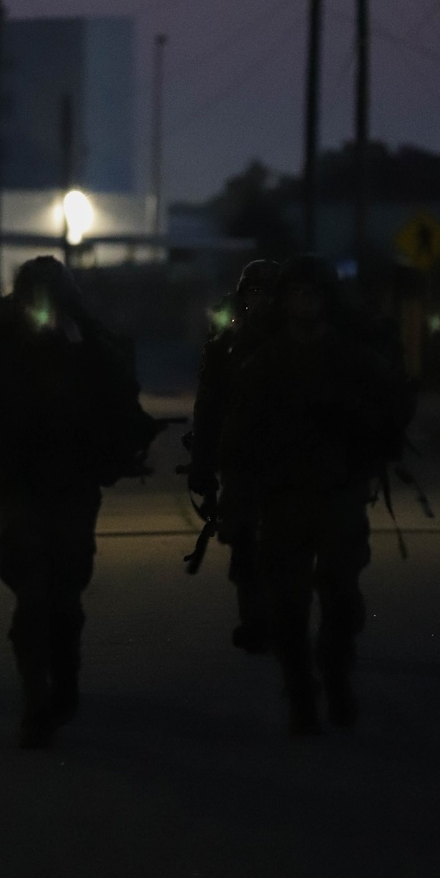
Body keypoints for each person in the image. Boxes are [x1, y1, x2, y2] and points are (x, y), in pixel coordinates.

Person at [0, 256, 158, 748]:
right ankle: (35, 701)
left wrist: (122, 447)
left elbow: (119, 406)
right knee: (32, 596)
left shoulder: (88, 345)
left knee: (66, 597)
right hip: (19, 488)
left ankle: (63, 682)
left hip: (71, 487)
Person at [218, 255, 414, 735]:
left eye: (313, 293)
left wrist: (357, 427)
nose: (304, 302)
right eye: (295, 294)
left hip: (338, 494)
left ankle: (336, 675)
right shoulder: (264, 365)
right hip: (282, 499)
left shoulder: (349, 358)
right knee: (286, 607)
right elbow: (237, 436)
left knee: (341, 597)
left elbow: (393, 405)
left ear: (326, 300)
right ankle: (302, 690)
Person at [187, 259, 279, 653]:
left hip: (289, 462)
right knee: (244, 542)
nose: (261, 301)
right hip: (241, 460)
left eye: (268, 293)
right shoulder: (228, 342)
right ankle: (255, 620)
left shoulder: (296, 337)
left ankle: (280, 618)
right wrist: (203, 465)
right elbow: (209, 404)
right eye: (254, 293)